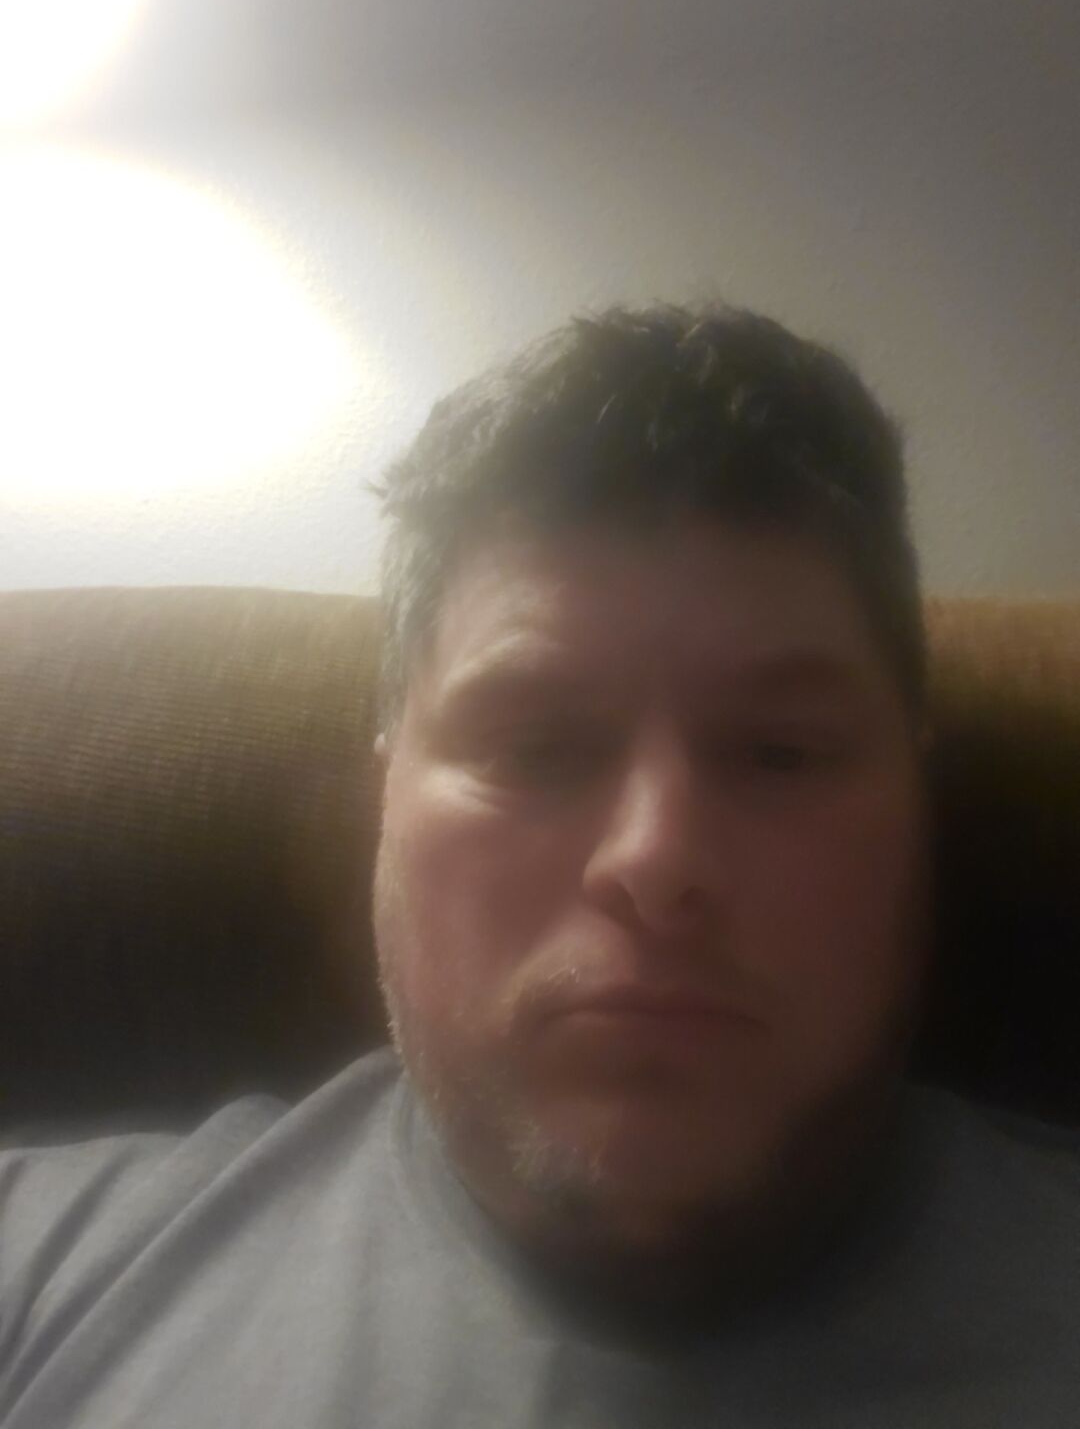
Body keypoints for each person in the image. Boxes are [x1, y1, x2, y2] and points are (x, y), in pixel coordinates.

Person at [0, 305, 1076, 1427]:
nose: (657, 857)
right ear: (384, 807)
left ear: (919, 808)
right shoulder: (38, 1266)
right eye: (536, 749)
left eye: (779, 752)